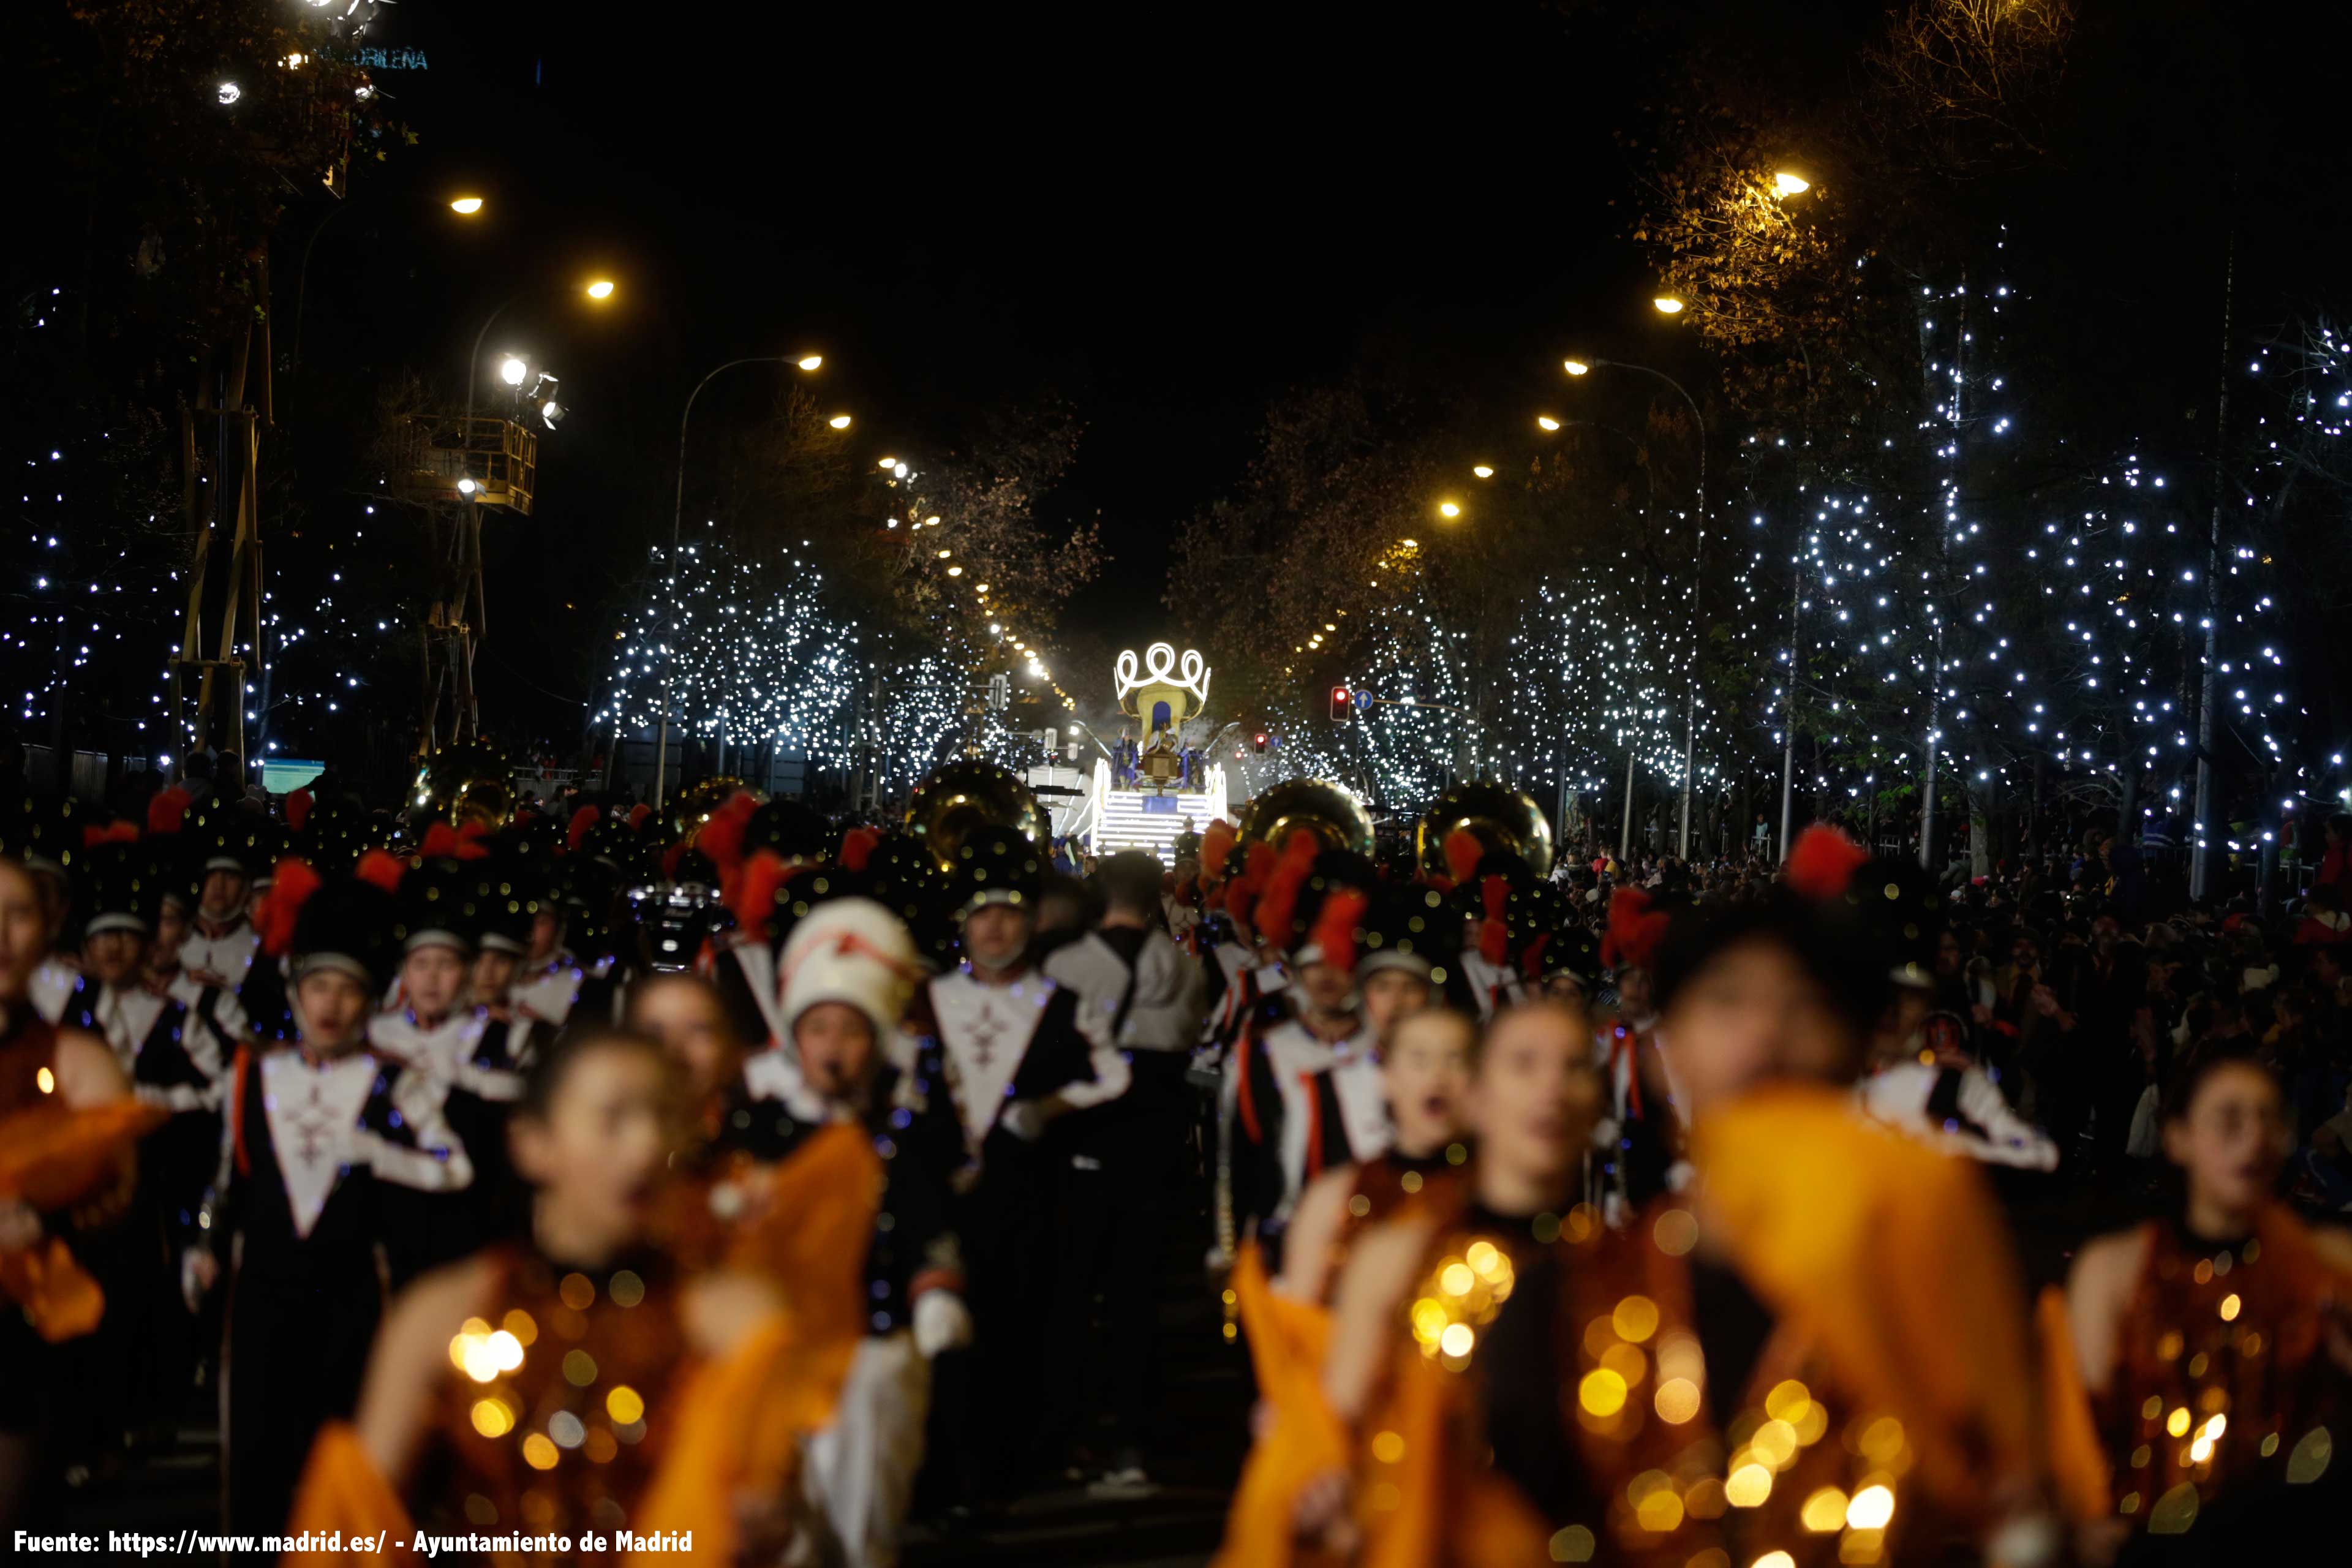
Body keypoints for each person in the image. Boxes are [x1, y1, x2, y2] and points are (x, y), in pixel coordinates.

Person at [286, 1028, 804, 1563]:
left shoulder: (731, 1322)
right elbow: (354, 1527)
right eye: (615, 1118)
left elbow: (763, 1505)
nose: (648, 1145)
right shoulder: (446, 1313)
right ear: (534, 1144)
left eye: (665, 1116)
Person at [190, 870, 474, 1534]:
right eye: (318, 987)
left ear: (370, 1000)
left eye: (349, 990)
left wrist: (380, 1152)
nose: (331, 1005)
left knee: (341, 1451)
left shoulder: (394, 1080)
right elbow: (228, 1178)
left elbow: (453, 1165)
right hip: (262, 1291)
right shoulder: (256, 1071)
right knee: (257, 1455)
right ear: (294, 992)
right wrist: (204, 1245)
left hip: (350, 1297)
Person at [2054, 1048, 2352, 1562]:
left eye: (2268, 1119)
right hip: (2155, 1541)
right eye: (2229, 1120)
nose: (2254, 1139)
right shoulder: (2115, 1272)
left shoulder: (2328, 1263)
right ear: (2178, 1137)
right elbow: (2081, 1436)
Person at [1042, 850, 1208, 1490]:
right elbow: (1188, 1040)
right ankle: (1135, 1435)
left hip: (1084, 1142)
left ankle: (1070, 1430)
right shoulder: (1184, 968)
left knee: (1073, 1292)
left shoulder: (1065, 964)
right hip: (1155, 1144)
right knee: (1139, 1296)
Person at [0, 853, 143, 1532]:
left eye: (18, 914)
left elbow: (114, 1190)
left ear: (48, 926)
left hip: (25, 1332)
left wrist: (49, 1209)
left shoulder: (78, 1059)